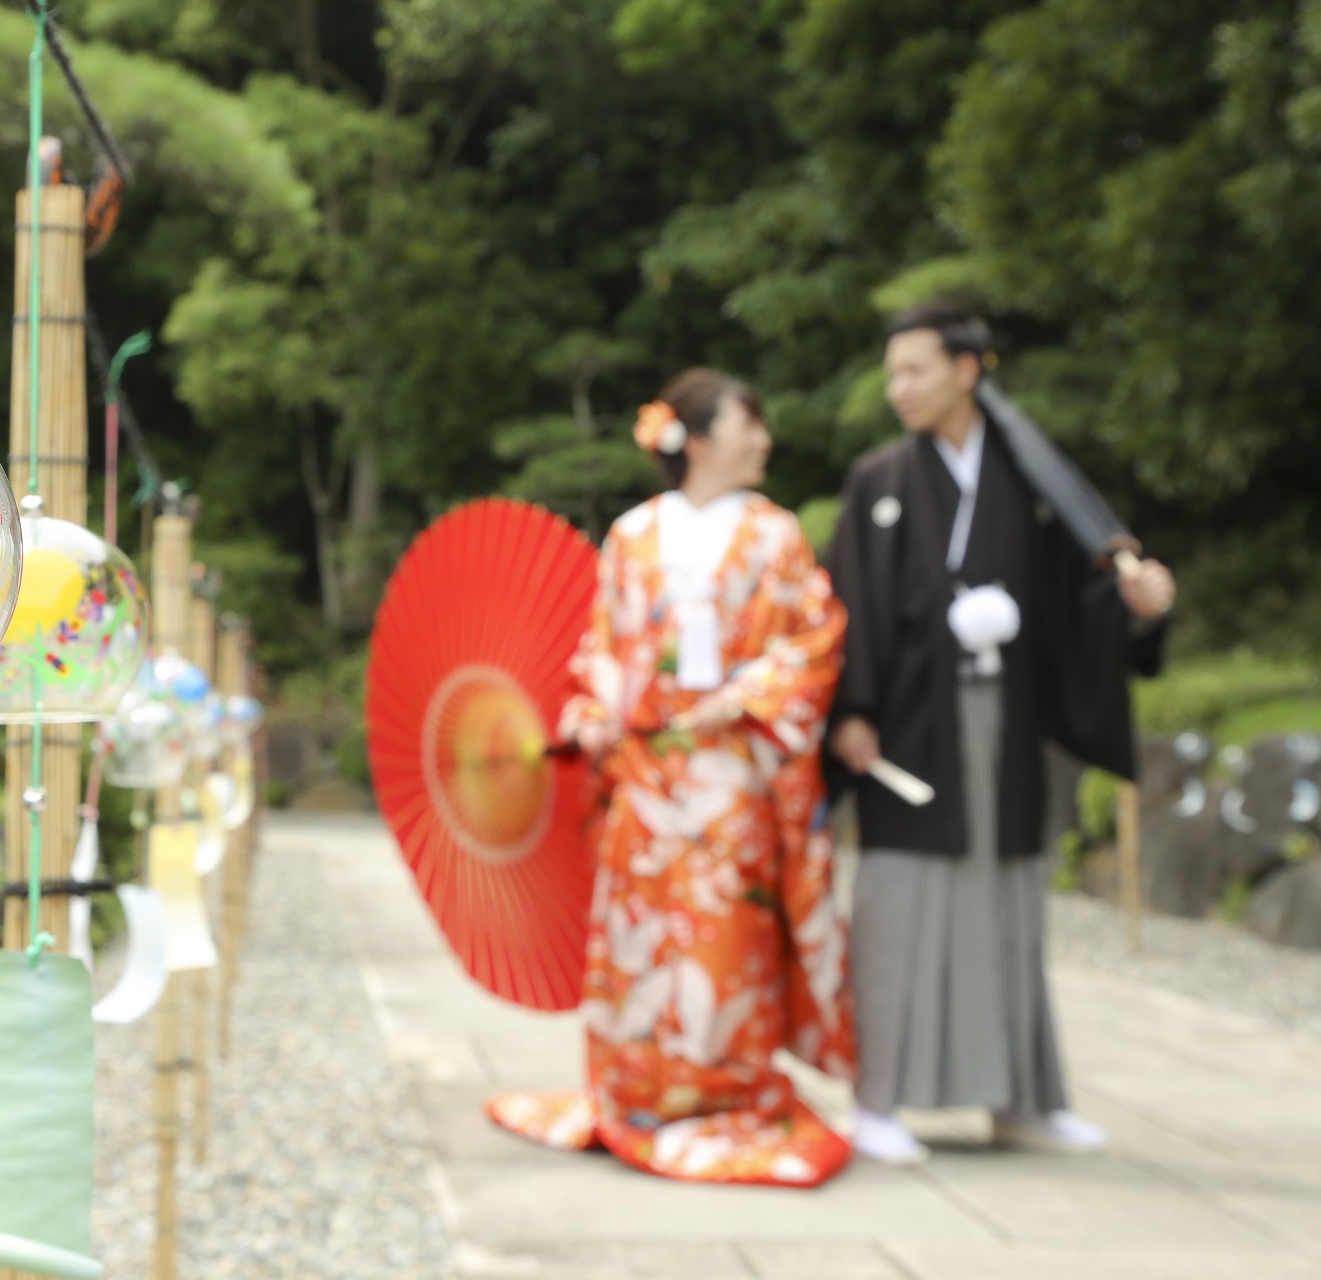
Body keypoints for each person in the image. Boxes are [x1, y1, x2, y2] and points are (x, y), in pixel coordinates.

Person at [486, 368, 857, 1187]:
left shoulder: (775, 535)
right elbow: (600, 651)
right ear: (696, 439)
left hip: (729, 764)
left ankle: (729, 1091)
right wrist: (596, 711)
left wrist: (739, 698)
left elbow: (812, 639)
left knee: (727, 931)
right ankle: (635, 1088)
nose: (761, 439)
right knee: (637, 932)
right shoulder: (632, 536)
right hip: (645, 768)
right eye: (746, 424)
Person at [827, 302, 1174, 1164]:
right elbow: (849, 607)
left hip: (1003, 715)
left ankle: (1018, 1099)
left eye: (915, 369)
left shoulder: (1029, 483)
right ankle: (878, 1099)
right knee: (899, 902)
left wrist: (1133, 609)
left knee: (1009, 902)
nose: (897, 388)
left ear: (967, 370)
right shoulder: (879, 479)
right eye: (893, 372)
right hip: (908, 725)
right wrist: (850, 714)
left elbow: (1075, 599)